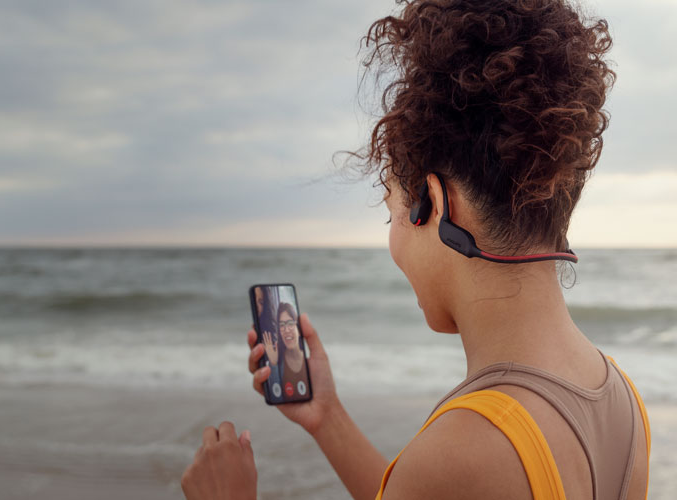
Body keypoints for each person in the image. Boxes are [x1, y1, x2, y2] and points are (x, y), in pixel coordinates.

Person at [180, 1, 650, 499]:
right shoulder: (621, 397)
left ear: (439, 205)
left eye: (392, 212)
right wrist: (328, 418)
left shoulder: (463, 452)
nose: (393, 237)